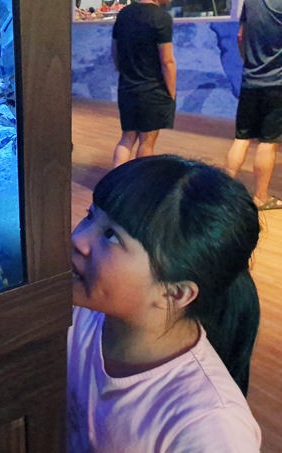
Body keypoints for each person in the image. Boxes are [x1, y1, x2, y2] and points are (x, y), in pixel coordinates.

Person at [68, 155, 261, 451]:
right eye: (90, 215)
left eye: (111, 236)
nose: (79, 238)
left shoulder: (211, 429)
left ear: (175, 293)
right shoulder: (77, 317)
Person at [225, 0, 282, 210]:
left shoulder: (251, 2)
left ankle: (222, 192)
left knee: (241, 138)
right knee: (268, 142)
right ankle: (260, 197)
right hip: (277, 84)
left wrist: (250, 62)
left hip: (250, 80)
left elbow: (241, 36)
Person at [111, 0, 177, 167]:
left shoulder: (124, 14)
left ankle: (115, 184)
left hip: (127, 87)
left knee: (127, 138)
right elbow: (167, 61)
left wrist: (125, 74)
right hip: (152, 90)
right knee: (147, 143)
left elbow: (114, 51)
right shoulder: (161, 17)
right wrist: (172, 92)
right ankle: (140, 187)